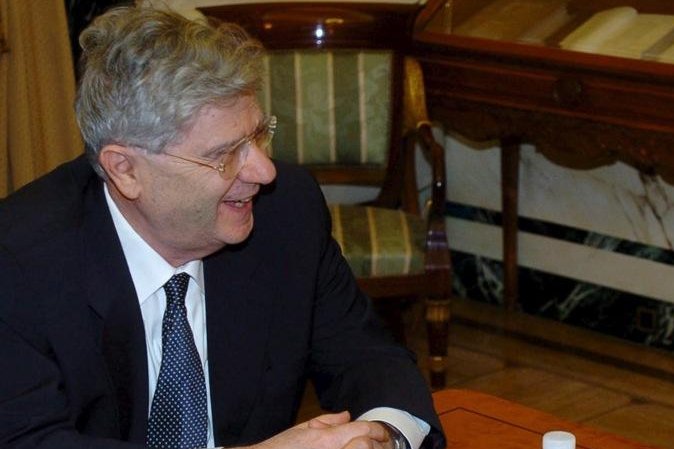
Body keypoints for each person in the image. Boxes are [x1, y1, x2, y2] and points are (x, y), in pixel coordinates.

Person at [0, 6, 444, 449]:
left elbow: (367, 358)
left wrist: (385, 437)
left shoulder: (285, 212)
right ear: (124, 169)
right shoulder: (18, 260)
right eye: (225, 154)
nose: (264, 171)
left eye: (257, 135)